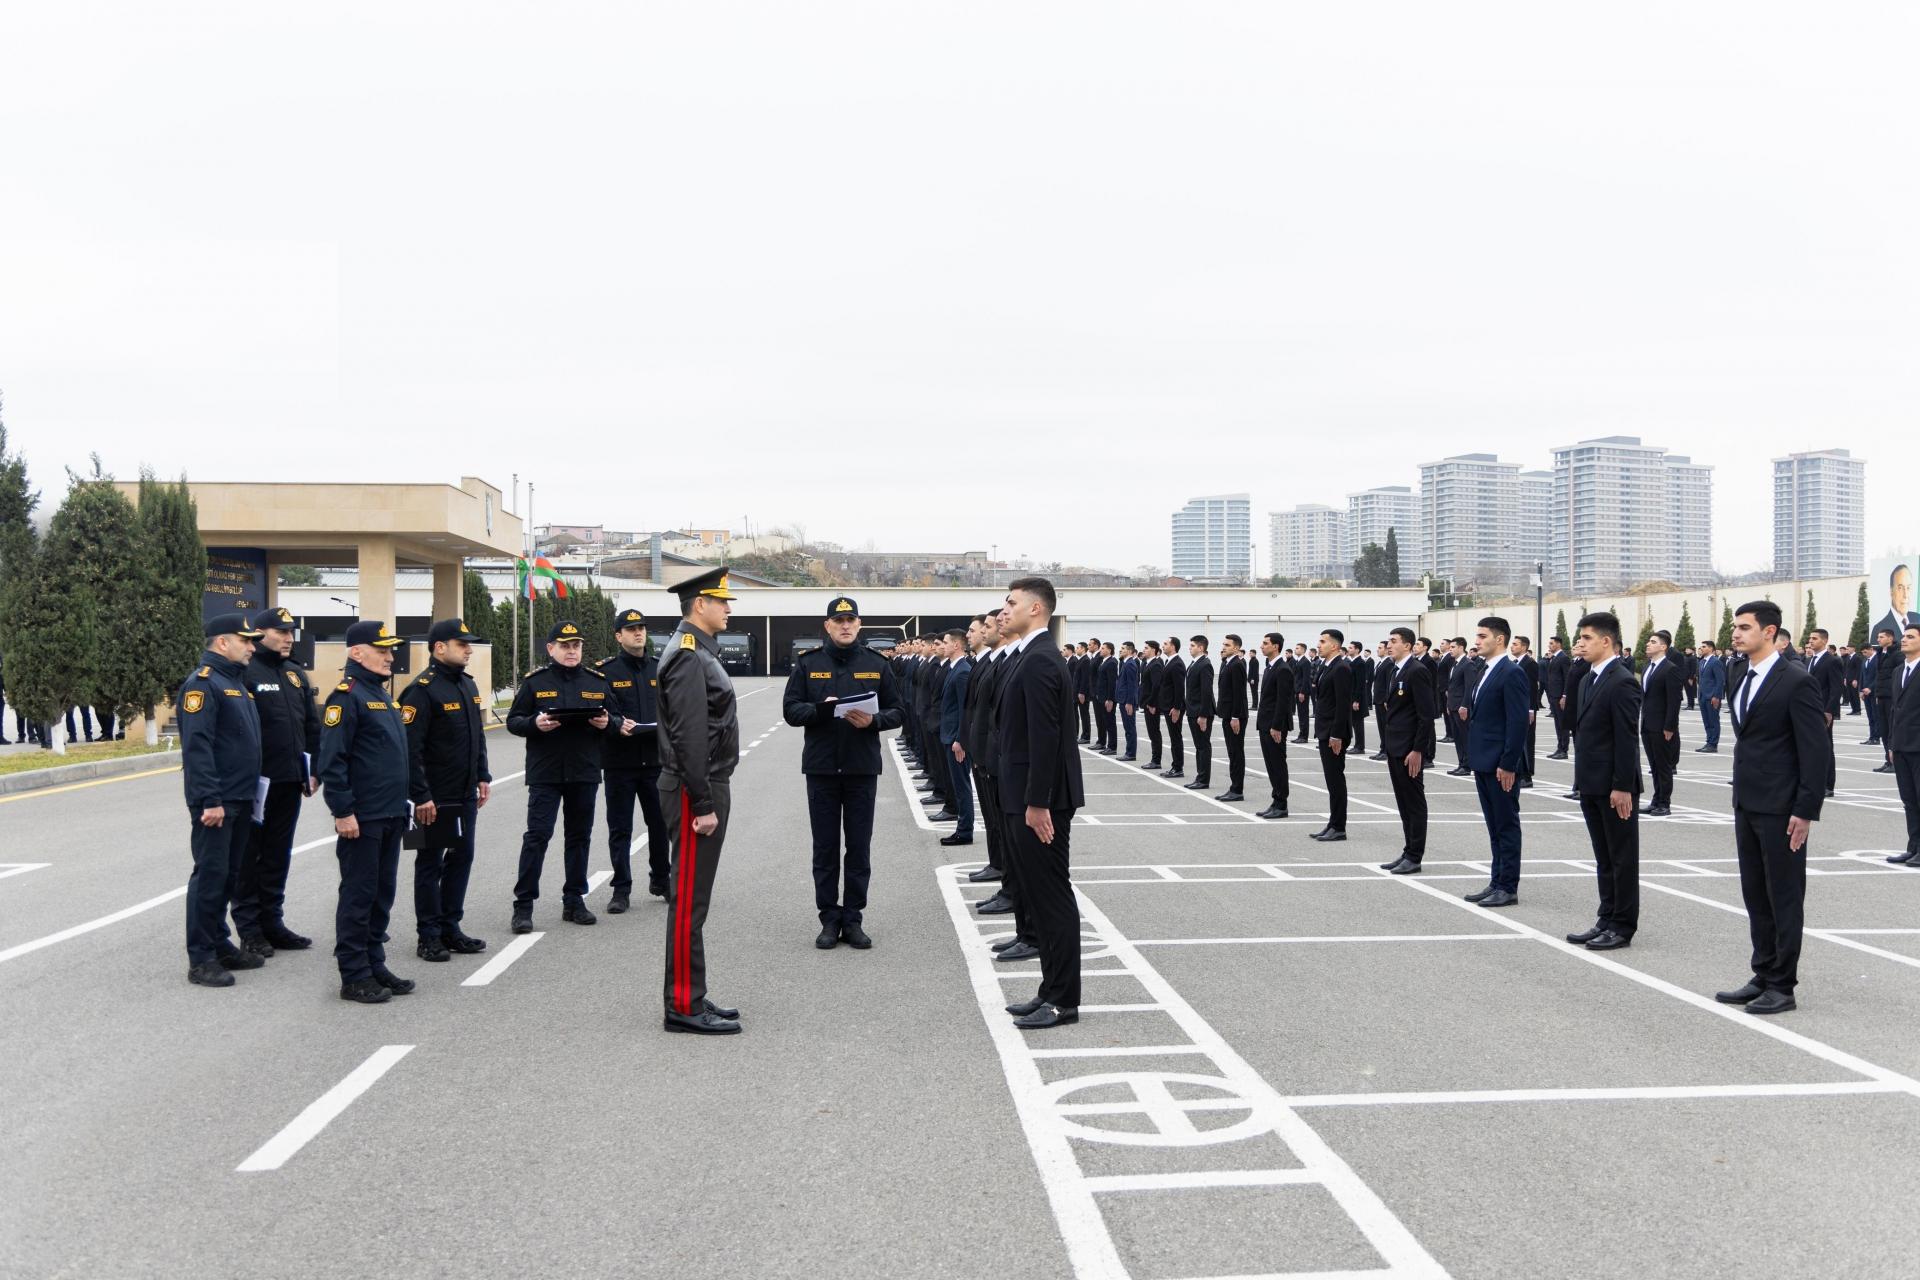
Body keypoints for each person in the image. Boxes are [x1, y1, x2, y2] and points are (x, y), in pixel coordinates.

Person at [1716, 600, 1829, 1015]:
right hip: (1747, 800)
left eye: (1745, 627)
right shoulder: (1737, 673)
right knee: (1755, 892)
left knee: (1783, 895)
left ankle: (1783, 984)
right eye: (1735, 627)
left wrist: (1805, 809)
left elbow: (1814, 751)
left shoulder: (1796, 680)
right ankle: (1762, 972)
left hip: (1783, 807)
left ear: (1770, 632)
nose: (1737, 634)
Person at [783, 595, 904, 948]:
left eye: (851, 619)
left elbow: (898, 711)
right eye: (839, 621)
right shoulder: (808, 664)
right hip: (821, 769)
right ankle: (828, 919)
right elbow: (791, 711)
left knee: (858, 848)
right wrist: (821, 711)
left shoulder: (877, 664)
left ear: (859, 624)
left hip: (861, 769)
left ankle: (853, 919)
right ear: (828, 626)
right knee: (824, 848)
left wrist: (873, 721)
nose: (846, 625)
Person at [994, 576, 1084, 1030]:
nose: (1003, 610)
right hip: (1023, 793)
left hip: (1037, 801)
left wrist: (1038, 802)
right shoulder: (1031, 656)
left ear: (1035, 609)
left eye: (1011, 603)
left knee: (1051, 898)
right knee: (1038, 895)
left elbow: (1046, 738)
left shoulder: (1040, 660)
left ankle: (1063, 999)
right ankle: (1049, 990)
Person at [657, 568, 744, 1034]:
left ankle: (692, 995)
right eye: (722, 600)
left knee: (694, 901)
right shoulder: (689, 656)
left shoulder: (696, 652)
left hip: (701, 785)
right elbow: (689, 737)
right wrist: (703, 802)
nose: (728, 608)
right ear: (699, 605)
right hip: (697, 790)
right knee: (689, 902)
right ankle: (684, 1006)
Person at [316, 619, 413, 1004]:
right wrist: (342, 811)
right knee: (358, 895)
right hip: (363, 816)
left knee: (381, 894)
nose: (391, 656)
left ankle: (375, 963)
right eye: (382, 650)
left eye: (391, 650)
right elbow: (332, 761)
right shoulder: (347, 696)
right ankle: (353, 974)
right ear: (357, 653)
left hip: (389, 812)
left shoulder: (382, 695)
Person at [177, 612, 266, 988]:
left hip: (241, 797)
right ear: (222, 643)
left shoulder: (236, 683)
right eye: (245, 640)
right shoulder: (203, 685)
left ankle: (219, 942)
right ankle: (201, 959)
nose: (251, 647)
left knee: (229, 875)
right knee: (210, 877)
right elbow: (198, 748)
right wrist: (209, 799)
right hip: (218, 802)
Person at [507, 620, 611, 932]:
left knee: (579, 838)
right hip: (546, 773)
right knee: (537, 837)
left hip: (584, 771)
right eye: (564, 646)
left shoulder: (596, 682)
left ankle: (574, 900)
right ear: (551, 649)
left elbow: (616, 719)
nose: (571, 651)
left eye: (576, 645)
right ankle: (523, 906)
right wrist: (533, 725)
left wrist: (609, 724)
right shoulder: (536, 683)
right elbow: (514, 720)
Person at [401, 617, 493, 961]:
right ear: (440, 647)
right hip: (433, 798)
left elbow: (477, 737)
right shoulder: (421, 690)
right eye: (462, 644)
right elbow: (410, 750)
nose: (469, 649)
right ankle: (429, 935)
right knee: (430, 864)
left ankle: (451, 927)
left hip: (464, 793)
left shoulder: (467, 685)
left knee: (461, 858)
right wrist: (420, 795)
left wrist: (483, 775)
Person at [233, 605, 321, 958]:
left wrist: (314, 770)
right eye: (281, 632)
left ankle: (273, 922)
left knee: (277, 855)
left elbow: (311, 727)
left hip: (289, 781)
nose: (288, 639)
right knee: (249, 856)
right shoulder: (245, 672)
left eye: (290, 634)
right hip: (255, 784)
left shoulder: (295, 674)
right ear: (260, 634)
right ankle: (250, 929)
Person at [1565, 612, 1642, 950]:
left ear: (1606, 641)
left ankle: (1622, 925)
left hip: (1614, 785)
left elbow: (1626, 738)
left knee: (1622, 856)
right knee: (1604, 855)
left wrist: (1622, 785)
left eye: (1586, 638)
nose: (1580, 644)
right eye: (1579, 639)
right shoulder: (1586, 678)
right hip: (1591, 781)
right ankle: (1606, 916)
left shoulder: (1622, 680)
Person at [596, 609, 669, 910]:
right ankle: (621, 889)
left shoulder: (659, 667)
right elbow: (601, 712)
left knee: (660, 825)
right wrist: (615, 723)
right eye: (631, 629)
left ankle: (662, 880)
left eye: (641, 628)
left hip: (654, 761)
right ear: (618, 636)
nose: (638, 633)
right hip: (620, 762)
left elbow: (671, 708)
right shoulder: (606, 672)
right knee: (620, 828)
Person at [1463, 616, 1530, 907]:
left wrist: (1508, 763)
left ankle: (1508, 885)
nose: (1476, 641)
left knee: (1506, 824)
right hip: (1482, 759)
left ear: (1499, 639)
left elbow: (1517, 723)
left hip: (1500, 763)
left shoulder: (1511, 672)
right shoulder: (1484, 669)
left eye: (1482, 636)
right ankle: (1496, 880)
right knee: (1493, 825)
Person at [1377, 627, 1435, 874]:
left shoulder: (1417, 671)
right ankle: (1407, 851)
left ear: (1408, 646)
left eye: (1394, 641)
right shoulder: (1395, 669)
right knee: (1403, 802)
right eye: (1388, 641)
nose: (1389, 645)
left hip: (1409, 750)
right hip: (1395, 746)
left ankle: (1415, 855)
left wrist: (1418, 750)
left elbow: (1426, 715)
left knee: (1414, 803)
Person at [1881, 624, 1920, 866]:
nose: (1904, 640)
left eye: (1911, 637)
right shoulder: (1899, 671)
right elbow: (1895, 711)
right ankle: (1913, 846)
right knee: (1909, 800)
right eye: (1904, 636)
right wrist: (1893, 745)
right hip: (1902, 745)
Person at [1309, 629, 1353, 842]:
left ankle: (1339, 826)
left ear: (1334, 646)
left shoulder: (1342, 667)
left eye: (1323, 641)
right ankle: (1333, 822)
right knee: (1331, 780)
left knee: (1336, 780)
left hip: (1334, 733)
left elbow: (1343, 704)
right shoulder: (1326, 666)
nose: (1319, 645)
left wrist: (1336, 735)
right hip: (1325, 730)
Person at [937, 626, 976, 846]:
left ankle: (965, 831)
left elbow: (965, 709)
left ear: (957, 645)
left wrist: (961, 739)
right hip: (949, 735)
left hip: (956, 739)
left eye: (946, 641)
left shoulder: (962, 671)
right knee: (957, 785)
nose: (943, 644)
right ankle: (962, 827)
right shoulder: (955, 667)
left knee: (962, 787)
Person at [1638, 629, 1683, 817]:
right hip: (1648, 724)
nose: (1648, 644)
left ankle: (1665, 803)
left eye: (1653, 641)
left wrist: (1669, 727)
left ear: (1663, 646)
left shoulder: (1670, 669)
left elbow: (1674, 701)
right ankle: (1656, 799)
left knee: (1664, 767)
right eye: (1649, 641)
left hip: (1662, 726)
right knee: (1654, 766)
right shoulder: (1648, 667)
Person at [1253, 632, 1293, 820]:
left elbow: (1283, 700)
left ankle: (1281, 804)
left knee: (1277, 764)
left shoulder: (1282, 668)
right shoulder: (1270, 667)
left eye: (1265, 643)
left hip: (1274, 725)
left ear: (1276, 646)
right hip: (1265, 723)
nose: (1262, 646)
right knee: (1270, 764)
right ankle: (1275, 800)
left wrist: (1277, 726)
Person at [1804, 628, 1842, 799]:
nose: (1810, 641)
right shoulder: (1809, 660)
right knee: (1810, 747)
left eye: (1814, 638)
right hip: (1808, 708)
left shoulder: (1832, 661)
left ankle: (1828, 784)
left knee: (1825, 747)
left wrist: (1829, 711)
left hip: (1823, 710)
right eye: (1810, 638)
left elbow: (1836, 688)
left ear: (1824, 641)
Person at [1215, 634, 1248, 801]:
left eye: (1227, 645)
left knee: (1236, 753)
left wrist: (1235, 716)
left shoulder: (1237, 665)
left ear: (1236, 648)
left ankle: (1237, 790)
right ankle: (1233, 787)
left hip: (1235, 716)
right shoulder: (1227, 663)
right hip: (1228, 714)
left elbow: (1239, 693)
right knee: (1232, 752)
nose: (1224, 647)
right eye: (1223, 644)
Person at [1182, 635, 1215, 790]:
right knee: (1199, 746)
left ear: (1201, 648)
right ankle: (1199, 776)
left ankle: (1203, 779)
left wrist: (1203, 715)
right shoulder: (1195, 664)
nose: (1190, 648)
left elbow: (1206, 692)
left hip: (1200, 712)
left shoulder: (1205, 664)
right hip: (1193, 710)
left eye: (1193, 645)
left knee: (1203, 746)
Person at [1510, 636, 1540, 787]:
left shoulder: (1530, 664)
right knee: (1518, 741)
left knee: (1527, 742)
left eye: (1515, 644)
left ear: (1524, 647)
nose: (1512, 647)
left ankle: (1527, 776)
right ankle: (1520, 771)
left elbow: (1532, 688)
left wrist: (1531, 709)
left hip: (1526, 708)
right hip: (1517, 707)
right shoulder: (1515, 663)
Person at [1160, 637, 1187, 777]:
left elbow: (1179, 688)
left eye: (1165, 644)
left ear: (1173, 646)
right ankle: (1175, 766)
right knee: (1173, 737)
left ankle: (1178, 768)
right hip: (1169, 706)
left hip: (1174, 708)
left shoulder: (1176, 663)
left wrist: (1176, 708)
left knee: (1175, 737)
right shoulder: (1169, 661)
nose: (1163, 646)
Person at [1542, 635, 1573, 759]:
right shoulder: (1554, 658)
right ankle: (1559, 747)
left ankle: (1563, 750)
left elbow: (1567, 678)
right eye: (1549, 643)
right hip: (1553, 695)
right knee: (1557, 724)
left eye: (1552, 643)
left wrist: (1564, 696)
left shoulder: (1563, 658)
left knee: (1562, 724)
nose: (1549, 645)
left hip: (1559, 696)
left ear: (1558, 644)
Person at [1696, 639, 1727, 753]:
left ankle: (1713, 744)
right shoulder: (1702, 662)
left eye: (1704, 646)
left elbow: (1720, 680)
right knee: (1707, 721)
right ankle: (1708, 742)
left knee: (1713, 720)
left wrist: (1716, 696)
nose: (1701, 649)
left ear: (1711, 648)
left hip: (1712, 696)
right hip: (1703, 696)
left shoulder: (1715, 662)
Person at [1138, 640, 1165, 769]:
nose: (1144, 650)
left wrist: (1152, 703)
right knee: (1151, 732)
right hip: (1147, 703)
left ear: (1154, 650)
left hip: (1152, 704)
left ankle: (1156, 760)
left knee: (1154, 732)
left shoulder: (1156, 664)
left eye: (1146, 648)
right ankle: (1154, 759)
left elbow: (1156, 686)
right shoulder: (1146, 663)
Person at [1115, 641, 1140, 761]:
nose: (1121, 650)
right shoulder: (1125, 663)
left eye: (1123, 648)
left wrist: (1130, 702)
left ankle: (1130, 753)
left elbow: (1132, 685)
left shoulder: (1130, 664)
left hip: (1127, 701)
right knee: (1127, 727)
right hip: (1124, 700)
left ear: (1129, 651)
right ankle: (1129, 752)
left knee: (1130, 728)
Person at [1092, 641, 1118, 754]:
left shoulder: (1111, 662)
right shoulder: (1104, 661)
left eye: (1103, 648)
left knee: (1110, 722)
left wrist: (1110, 699)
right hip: (1101, 697)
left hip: (1107, 698)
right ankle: (1106, 744)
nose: (1101, 650)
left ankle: (1112, 747)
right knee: (1105, 721)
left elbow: (1112, 683)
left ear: (1109, 650)